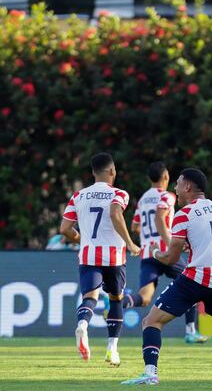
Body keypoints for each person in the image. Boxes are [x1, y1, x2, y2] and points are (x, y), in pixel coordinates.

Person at [121, 168, 212, 385]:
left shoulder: (183, 214)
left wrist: (155, 251)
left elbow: (171, 258)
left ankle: (150, 374)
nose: (175, 188)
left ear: (188, 187)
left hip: (195, 279)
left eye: (178, 184)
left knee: (151, 321)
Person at [59, 152, 140, 365]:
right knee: (116, 299)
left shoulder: (78, 195)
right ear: (112, 171)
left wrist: (81, 238)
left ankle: (83, 325)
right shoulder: (119, 194)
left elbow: (65, 229)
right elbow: (115, 213)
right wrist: (130, 243)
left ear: (93, 172)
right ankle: (112, 349)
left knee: (90, 297)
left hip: (88, 255)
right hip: (114, 258)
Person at [119, 161, 207, 343]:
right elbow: (159, 217)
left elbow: (135, 226)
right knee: (192, 283)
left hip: (148, 253)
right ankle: (190, 331)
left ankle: (117, 303)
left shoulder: (143, 200)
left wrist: (148, 235)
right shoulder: (167, 196)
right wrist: (171, 244)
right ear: (166, 177)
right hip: (165, 251)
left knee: (144, 297)